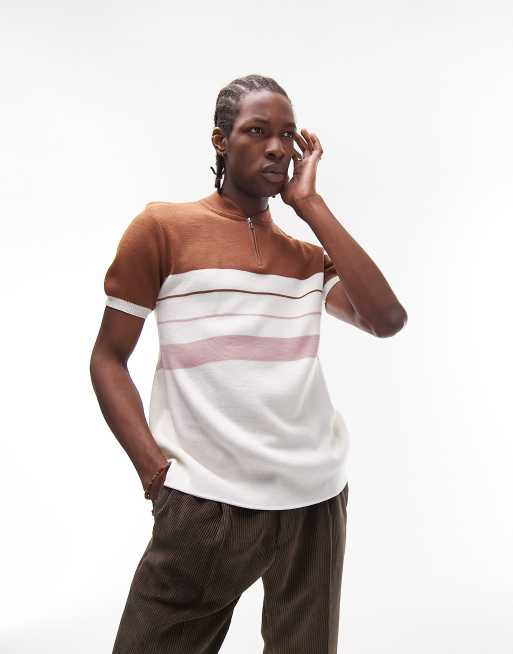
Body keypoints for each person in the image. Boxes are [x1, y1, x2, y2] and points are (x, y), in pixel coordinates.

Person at [90, 73, 407, 654]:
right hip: (205, 504)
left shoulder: (308, 259)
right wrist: (154, 473)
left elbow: (386, 319)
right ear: (220, 141)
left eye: (288, 135)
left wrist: (310, 206)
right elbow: (108, 358)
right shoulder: (163, 229)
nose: (277, 148)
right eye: (257, 131)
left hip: (314, 502)